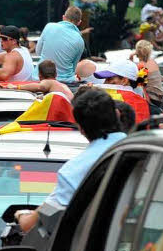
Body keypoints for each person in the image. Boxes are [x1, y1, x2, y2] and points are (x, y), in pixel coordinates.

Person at [17, 88, 126, 231]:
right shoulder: (146, 147)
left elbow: (34, 222)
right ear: (117, 114)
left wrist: (21, 216)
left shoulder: (74, 171)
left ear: (81, 129)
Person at [35, 7, 85, 82]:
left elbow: (38, 52)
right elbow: (74, 67)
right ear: (79, 22)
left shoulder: (49, 26)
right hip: (64, 82)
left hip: (38, 78)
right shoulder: (80, 40)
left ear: (63, 17)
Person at [6, 59, 73, 100]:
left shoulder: (49, 82)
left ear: (40, 75)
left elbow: (40, 87)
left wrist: (17, 87)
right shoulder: (63, 85)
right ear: (56, 74)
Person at [132, 40, 163, 106]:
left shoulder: (142, 66)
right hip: (160, 98)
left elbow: (140, 86)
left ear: (137, 51)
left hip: (152, 99)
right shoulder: (153, 62)